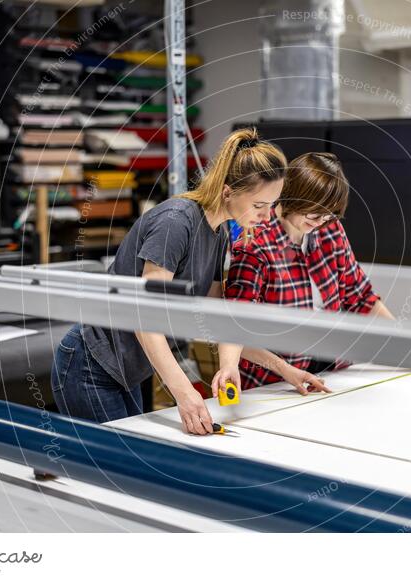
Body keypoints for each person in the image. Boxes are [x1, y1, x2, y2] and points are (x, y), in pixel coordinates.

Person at [51, 127, 287, 434]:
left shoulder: (219, 234)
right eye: (259, 206)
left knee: (124, 461)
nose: (267, 217)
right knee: (118, 465)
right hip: (91, 363)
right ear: (228, 192)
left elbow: (216, 320)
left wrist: (283, 370)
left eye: (271, 205)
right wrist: (184, 392)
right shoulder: (176, 222)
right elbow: (144, 317)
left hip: (127, 370)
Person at [213, 152, 395, 396]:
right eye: (314, 214)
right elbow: (235, 328)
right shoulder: (254, 243)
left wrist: (404, 341)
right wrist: (285, 369)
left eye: (328, 215)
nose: (320, 222)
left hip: (333, 372)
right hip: (274, 385)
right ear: (292, 198)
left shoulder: (330, 230)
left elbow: (361, 297)